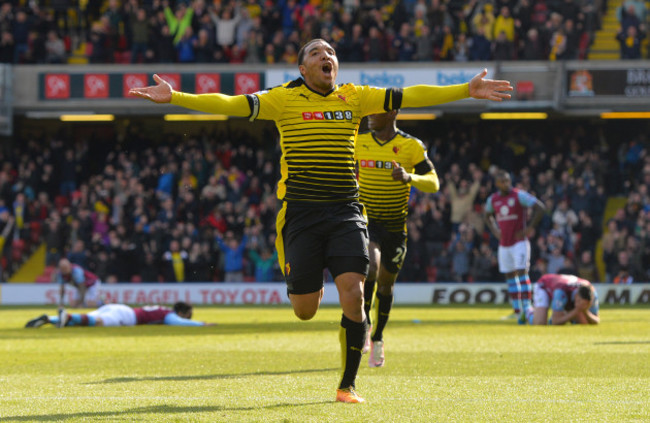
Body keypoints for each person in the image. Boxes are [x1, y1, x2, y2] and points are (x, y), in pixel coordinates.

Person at [129, 38, 512, 403]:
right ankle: (307, 276)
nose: (326, 56)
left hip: (346, 211)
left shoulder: (355, 96)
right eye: (316, 53)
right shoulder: (283, 98)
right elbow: (230, 103)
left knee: (355, 292)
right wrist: (176, 97)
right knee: (305, 309)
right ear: (302, 67)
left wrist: (466, 89)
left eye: (330, 52)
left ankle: (347, 386)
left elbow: (411, 95)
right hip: (301, 215)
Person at [357, 110, 440, 368]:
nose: (370, 116)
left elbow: (434, 182)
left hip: (395, 227)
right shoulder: (358, 142)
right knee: (370, 265)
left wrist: (408, 177)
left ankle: (378, 337)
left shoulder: (411, 146)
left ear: (392, 113)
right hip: (368, 222)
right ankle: (364, 325)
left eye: (377, 112)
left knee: (386, 285)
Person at [484, 170, 545, 324]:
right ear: (497, 184)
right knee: (510, 276)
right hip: (504, 244)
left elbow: (540, 208)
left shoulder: (519, 195)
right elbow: (486, 215)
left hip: (519, 243)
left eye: (507, 180)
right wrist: (495, 231)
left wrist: (529, 228)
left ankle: (527, 309)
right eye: (502, 181)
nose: (505, 184)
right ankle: (518, 312)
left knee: (522, 273)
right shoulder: (493, 199)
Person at [25, 302, 213, 328]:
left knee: (88, 318)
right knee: (97, 322)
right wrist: (202, 324)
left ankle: (50, 319)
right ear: (182, 312)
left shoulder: (162, 309)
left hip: (116, 307)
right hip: (127, 315)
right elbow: (178, 322)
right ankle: (67, 316)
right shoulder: (169, 314)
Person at [525, 274, 600, 325]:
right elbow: (555, 322)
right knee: (540, 322)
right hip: (544, 285)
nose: (582, 306)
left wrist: (585, 312)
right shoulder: (561, 292)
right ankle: (527, 310)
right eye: (580, 302)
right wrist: (576, 311)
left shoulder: (592, 293)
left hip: (565, 288)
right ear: (576, 296)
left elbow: (596, 320)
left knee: (583, 321)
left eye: (585, 304)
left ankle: (566, 315)